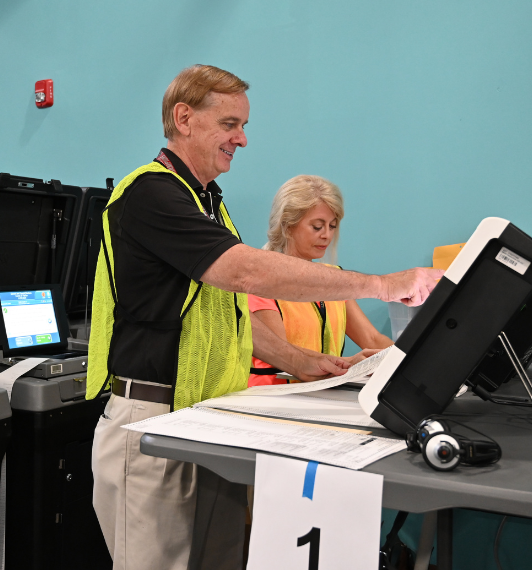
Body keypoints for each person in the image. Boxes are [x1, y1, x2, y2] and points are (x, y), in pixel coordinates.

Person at [86, 64, 443, 570]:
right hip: (152, 419)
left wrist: (306, 361)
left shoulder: (207, 201)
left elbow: (230, 318)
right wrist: (383, 285)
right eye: (231, 123)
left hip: (204, 415)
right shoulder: (150, 192)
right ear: (184, 118)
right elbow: (245, 274)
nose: (243, 139)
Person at [248, 175, 394, 386]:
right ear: (287, 226)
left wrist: (407, 359)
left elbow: (372, 340)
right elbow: (282, 354)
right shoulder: (260, 283)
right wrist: (349, 364)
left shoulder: (335, 279)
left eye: (332, 226)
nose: (326, 235)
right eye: (317, 227)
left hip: (319, 394)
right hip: (272, 400)